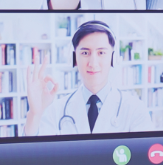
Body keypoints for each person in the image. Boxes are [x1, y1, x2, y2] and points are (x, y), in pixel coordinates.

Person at [23, 20, 152, 135]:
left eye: (101, 52)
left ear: (113, 58)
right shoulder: (56, 110)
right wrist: (34, 114)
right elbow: (33, 151)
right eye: (85, 53)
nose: (93, 63)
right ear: (74, 58)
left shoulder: (135, 109)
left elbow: (144, 152)